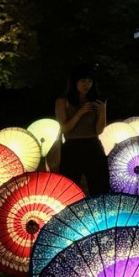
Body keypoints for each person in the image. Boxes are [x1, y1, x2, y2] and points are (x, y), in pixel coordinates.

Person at [54, 68, 110, 196]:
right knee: (69, 188)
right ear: (74, 82)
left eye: (90, 81)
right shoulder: (63, 101)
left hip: (93, 145)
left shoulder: (96, 102)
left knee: (99, 186)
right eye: (83, 80)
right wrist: (79, 113)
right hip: (72, 147)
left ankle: (99, 212)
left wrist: (102, 111)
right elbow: (64, 129)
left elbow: (99, 130)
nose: (87, 85)